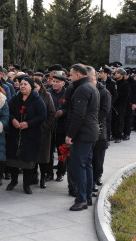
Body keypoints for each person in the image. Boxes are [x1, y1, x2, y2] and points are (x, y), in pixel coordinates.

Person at [66, 64, 99, 211]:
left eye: (71, 75)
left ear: (78, 75)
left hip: (83, 133)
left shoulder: (82, 89)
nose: (70, 77)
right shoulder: (91, 87)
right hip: (90, 131)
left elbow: (78, 115)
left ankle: (81, 199)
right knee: (87, 164)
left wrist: (70, 135)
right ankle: (86, 196)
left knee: (79, 165)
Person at [6, 77, 47, 194]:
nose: (22, 86)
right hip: (15, 133)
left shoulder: (37, 100)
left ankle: (26, 185)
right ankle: (13, 181)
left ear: (31, 87)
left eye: (26, 84)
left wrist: (28, 123)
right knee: (13, 159)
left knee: (28, 160)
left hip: (31, 134)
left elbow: (42, 115)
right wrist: (13, 119)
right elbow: (7, 111)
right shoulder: (15, 98)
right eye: (21, 84)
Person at [86, 66, 111, 193]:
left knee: (98, 156)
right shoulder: (84, 90)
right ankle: (89, 180)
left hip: (99, 128)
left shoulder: (104, 92)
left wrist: (92, 122)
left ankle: (96, 178)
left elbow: (104, 111)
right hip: (87, 129)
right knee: (88, 158)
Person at [32, 78, 55, 189]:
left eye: (35, 86)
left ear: (40, 86)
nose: (34, 89)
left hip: (44, 131)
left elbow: (52, 113)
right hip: (31, 130)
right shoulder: (28, 96)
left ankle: (43, 178)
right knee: (33, 155)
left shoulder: (47, 96)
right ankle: (34, 176)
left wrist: (46, 127)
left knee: (44, 156)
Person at [47, 74, 68, 182]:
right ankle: (49, 173)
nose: (55, 83)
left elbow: (72, 108)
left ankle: (61, 172)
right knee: (49, 152)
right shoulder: (48, 92)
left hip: (62, 127)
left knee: (62, 152)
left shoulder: (68, 93)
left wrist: (63, 112)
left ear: (63, 83)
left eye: (57, 82)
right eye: (54, 81)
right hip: (50, 127)